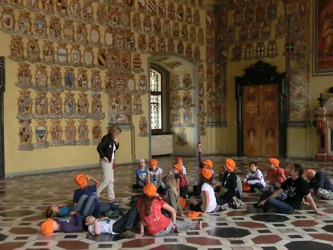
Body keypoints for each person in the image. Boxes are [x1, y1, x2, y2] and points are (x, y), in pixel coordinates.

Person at [249, 164, 327, 215]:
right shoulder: (289, 180)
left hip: (290, 208)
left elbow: (309, 197)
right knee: (267, 193)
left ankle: (262, 210)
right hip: (285, 202)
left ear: (297, 172)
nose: (289, 170)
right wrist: (265, 199)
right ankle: (258, 206)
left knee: (270, 200)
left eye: (292, 169)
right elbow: (278, 192)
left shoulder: (302, 183)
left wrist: (317, 211)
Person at [97, 125, 122, 203]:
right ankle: (95, 194)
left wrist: (117, 142)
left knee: (111, 180)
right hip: (105, 162)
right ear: (113, 132)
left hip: (110, 161)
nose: (118, 135)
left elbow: (115, 148)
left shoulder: (113, 139)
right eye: (117, 134)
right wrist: (104, 156)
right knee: (106, 180)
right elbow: (99, 147)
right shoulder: (106, 138)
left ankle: (112, 198)